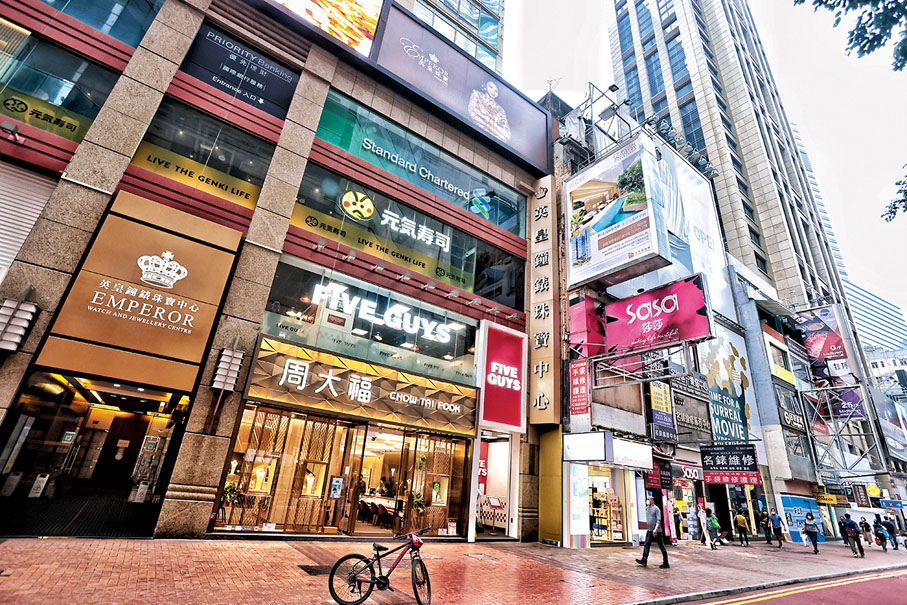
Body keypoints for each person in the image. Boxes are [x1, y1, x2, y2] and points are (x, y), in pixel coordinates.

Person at [637, 496, 670, 568]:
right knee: (646, 545)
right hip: (649, 530)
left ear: (652, 500)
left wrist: (655, 529)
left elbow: (658, 520)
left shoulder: (656, 509)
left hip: (657, 531)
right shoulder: (647, 508)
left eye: (649, 499)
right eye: (647, 499)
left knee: (661, 546)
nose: (647, 501)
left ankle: (666, 563)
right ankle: (644, 560)